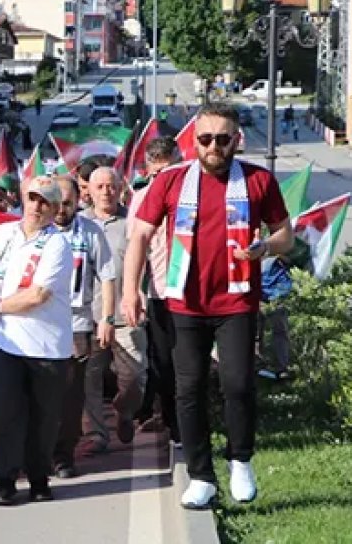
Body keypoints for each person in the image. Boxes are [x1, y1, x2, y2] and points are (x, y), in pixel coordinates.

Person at [123, 103, 293, 509]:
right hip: (184, 302)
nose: (213, 146)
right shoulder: (171, 181)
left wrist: (265, 247)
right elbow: (140, 238)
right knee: (188, 389)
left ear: (237, 140)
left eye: (222, 138)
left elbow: (285, 234)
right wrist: (131, 290)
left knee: (237, 383)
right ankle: (201, 476)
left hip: (236, 299)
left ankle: (241, 460)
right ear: (193, 140)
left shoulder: (258, 181)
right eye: (205, 138)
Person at [0, 176, 73, 505]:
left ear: (56, 208)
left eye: (45, 201)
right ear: (22, 200)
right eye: (32, 199)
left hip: (46, 346)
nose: (37, 207)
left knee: (43, 417)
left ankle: (39, 477)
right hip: (6, 342)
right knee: (4, 412)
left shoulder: (58, 244)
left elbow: (39, 294)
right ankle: (4, 479)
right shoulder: (4, 234)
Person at [49, 175, 116, 479]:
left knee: (72, 393)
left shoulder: (90, 232)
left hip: (77, 323)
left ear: (79, 200)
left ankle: (63, 455)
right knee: (42, 391)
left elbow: (107, 276)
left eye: (67, 203)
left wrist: (106, 318)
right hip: (40, 323)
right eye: (56, 203)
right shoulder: (37, 231)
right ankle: (40, 450)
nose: (61, 209)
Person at [83, 168, 146, 448]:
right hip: (87, 316)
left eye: (111, 186)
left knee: (134, 376)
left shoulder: (133, 221)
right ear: (90, 190)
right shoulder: (80, 223)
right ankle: (96, 434)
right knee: (89, 380)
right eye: (100, 186)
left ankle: (125, 410)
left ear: (121, 188)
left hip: (126, 312)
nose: (106, 191)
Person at [128, 137, 181, 443]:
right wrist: (132, 292)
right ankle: (174, 426)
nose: (165, 178)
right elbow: (136, 247)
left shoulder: (195, 193)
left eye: (171, 169)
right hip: (161, 292)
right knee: (165, 363)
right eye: (158, 172)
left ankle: (192, 423)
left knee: (194, 363)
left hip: (196, 293)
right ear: (148, 170)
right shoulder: (142, 198)